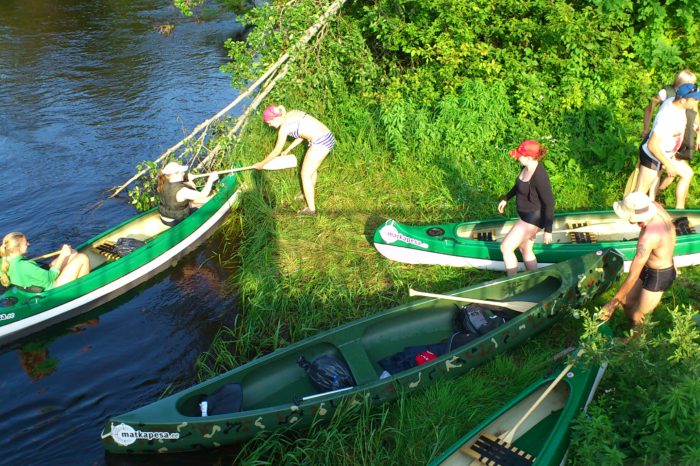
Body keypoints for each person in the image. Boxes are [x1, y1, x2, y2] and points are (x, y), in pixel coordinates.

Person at [600, 192, 676, 326]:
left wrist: (612, 303)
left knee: (638, 315)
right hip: (648, 266)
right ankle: (632, 329)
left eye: (632, 218)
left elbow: (633, 276)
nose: (630, 221)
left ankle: (636, 343)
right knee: (626, 302)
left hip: (660, 274)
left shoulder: (648, 237)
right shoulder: (653, 206)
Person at [255, 105, 335, 215]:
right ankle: (307, 193)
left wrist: (261, 164)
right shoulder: (292, 112)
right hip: (327, 136)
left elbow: (275, 152)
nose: (271, 126)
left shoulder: (284, 128)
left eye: (270, 123)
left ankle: (311, 210)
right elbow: (301, 132)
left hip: (320, 142)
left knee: (305, 174)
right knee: (311, 170)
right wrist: (288, 149)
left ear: (275, 118)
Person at [635, 82, 700, 209]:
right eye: (693, 99)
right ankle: (629, 219)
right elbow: (652, 145)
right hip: (652, 156)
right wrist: (668, 164)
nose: (696, 101)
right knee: (640, 193)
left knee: (687, 174)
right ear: (682, 100)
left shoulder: (675, 102)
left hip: (667, 154)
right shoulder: (668, 117)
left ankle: (679, 211)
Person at [497, 140, 554, 276]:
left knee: (505, 248)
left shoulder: (539, 176)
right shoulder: (526, 167)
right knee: (525, 249)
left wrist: (548, 230)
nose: (517, 158)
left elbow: (549, 203)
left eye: (519, 156)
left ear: (528, 157)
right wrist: (506, 198)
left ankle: (513, 282)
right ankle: (535, 280)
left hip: (533, 218)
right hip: (527, 216)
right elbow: (519, 185)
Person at [0, 232, 90, 292]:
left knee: (72, 253)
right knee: (82, 258)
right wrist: (62, 256)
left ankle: (76, 278)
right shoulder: (25, 265)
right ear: (16, 249)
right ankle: (83, 288)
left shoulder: (3, 261)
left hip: (33, 283)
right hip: (50, 287)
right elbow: (50, 277)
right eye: (25, 243)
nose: (28, 244)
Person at [157, 162, 218, 226]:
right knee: (203, 204)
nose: (183, 173)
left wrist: (189, 179)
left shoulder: (164, 181)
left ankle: (208, 200)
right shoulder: (183, 191)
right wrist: (210, 180)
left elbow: (183, 183)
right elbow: (202, 195)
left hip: (164, 216)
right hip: (174, 220)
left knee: (192, 203)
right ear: (175, 175)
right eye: (181, 172)